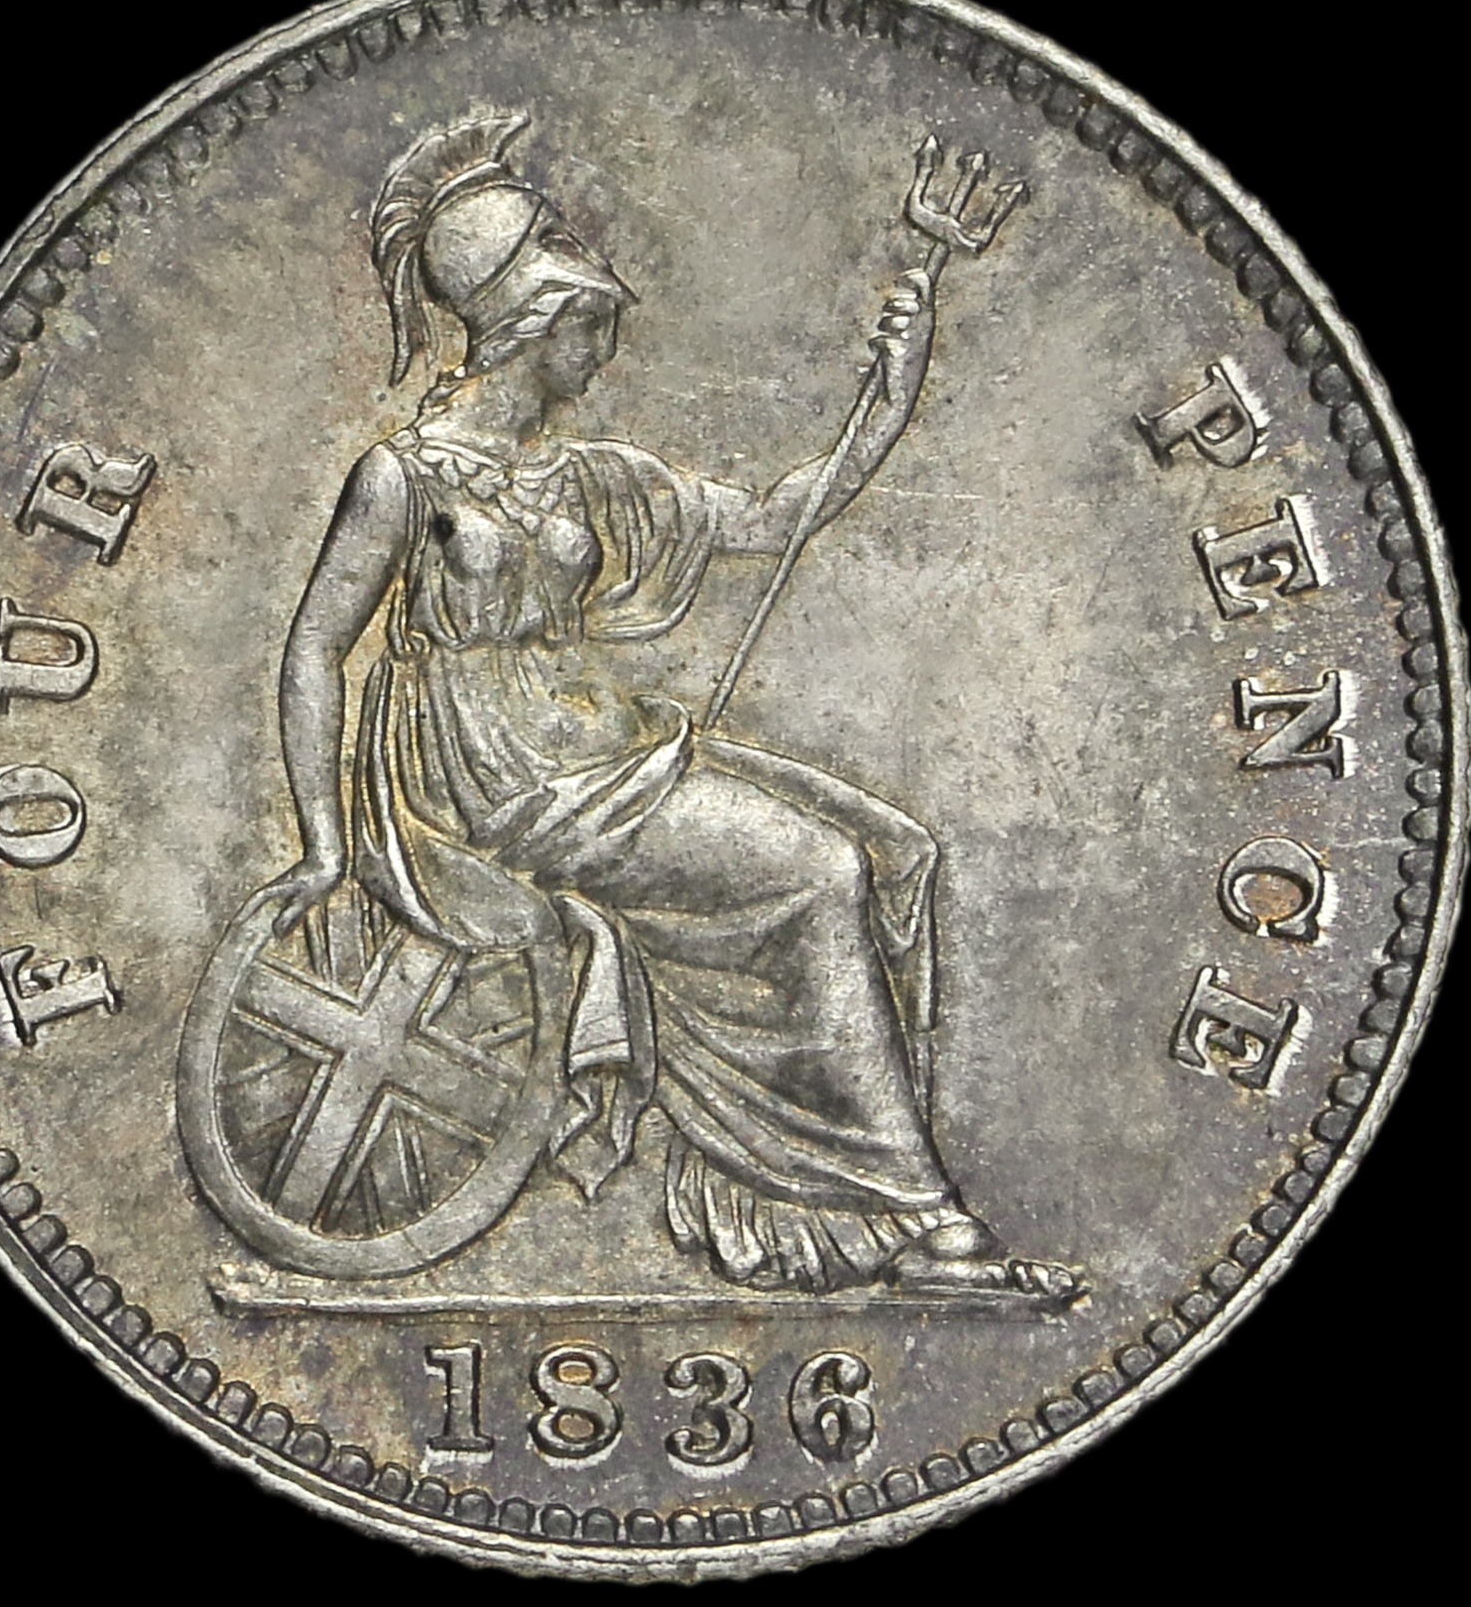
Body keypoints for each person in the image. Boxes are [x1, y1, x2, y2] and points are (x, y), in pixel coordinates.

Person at [266, 114, 1011, 1294]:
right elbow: (316, 647)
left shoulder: (589, 476)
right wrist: (321, 840)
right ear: (527, 322)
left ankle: (828, 1198)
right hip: (492, 784)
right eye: (583, 325)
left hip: (606, 758)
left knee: (885, 845)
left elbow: (775, 517)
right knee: (817, 868)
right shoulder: (399, 477)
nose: (598, 350)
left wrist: (892, 384)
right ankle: (911, 1215)